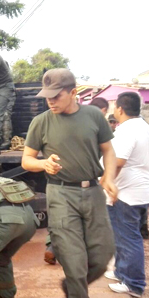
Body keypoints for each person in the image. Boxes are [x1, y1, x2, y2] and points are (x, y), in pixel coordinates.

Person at [21, 68, 117, 298]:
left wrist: (109, 178)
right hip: (60, 193)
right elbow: (27, 159)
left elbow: (108, 151)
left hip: (92, 193)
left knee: (103, 255)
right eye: (47, 96)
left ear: (73, 93)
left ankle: (73, 287)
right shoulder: (41, 122)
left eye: (56, 95)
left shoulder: (94, 117)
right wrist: (43, 165)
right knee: (74, 262)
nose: (50, 101)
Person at [44, 96, 111, 265]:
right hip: (82, 183)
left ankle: (54, 247)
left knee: (60, 220)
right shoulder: (91, 127)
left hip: (63, 184)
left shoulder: (73, 124)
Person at [104, 92, 149, 298]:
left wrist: (107, 182)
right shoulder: (145, 128)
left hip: (126, 193)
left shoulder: (126, 131)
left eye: (114, 107)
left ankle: (134, 283)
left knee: (128, 238)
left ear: (120, 109)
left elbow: (118, 161)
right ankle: (122, 273)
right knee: (123, 236)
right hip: (140, 190)